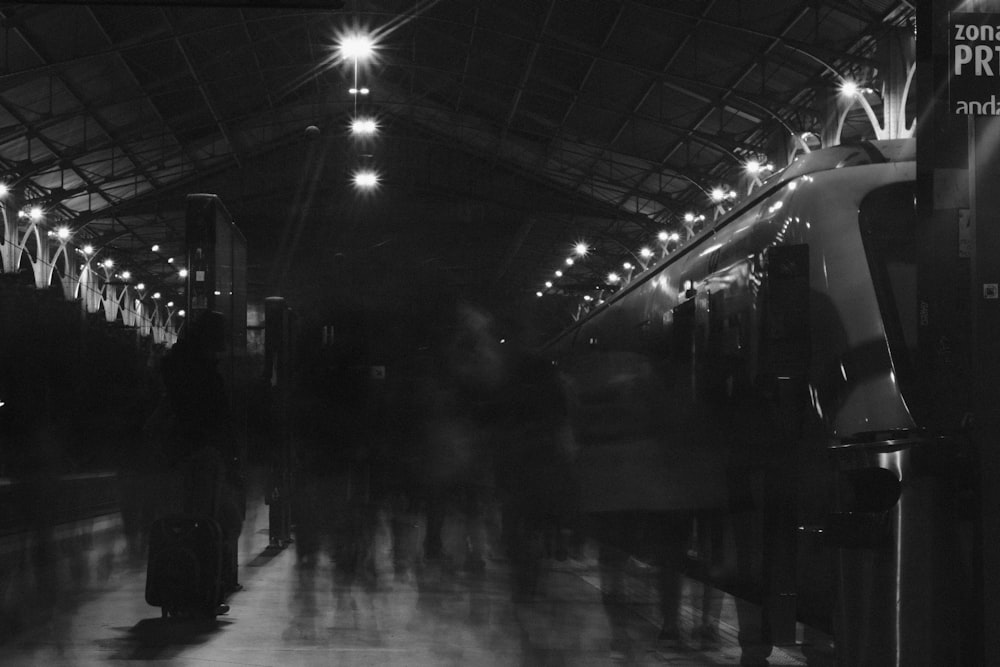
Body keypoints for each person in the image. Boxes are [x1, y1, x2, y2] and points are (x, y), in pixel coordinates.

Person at [159, 310, 243, 611]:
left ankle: (176, 586)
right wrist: (230, 455)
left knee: (178, 521)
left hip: (173, 454)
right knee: (209, 519)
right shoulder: (205, 372)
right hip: (203, 452)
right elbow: (218, 417)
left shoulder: (171, 365)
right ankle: (201, 588)